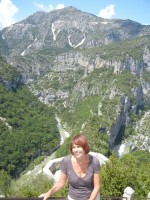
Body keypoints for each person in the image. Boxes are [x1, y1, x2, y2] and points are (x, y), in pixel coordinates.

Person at [39, 133, 100, 200]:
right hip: (73, 198)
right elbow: (61, 182)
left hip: (92, 197)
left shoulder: (94, 162)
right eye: (74, 147)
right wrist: (49, 193)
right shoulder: (66, 161)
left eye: (79, 147)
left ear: (85, 147)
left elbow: (97, 187)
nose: (76, 150)